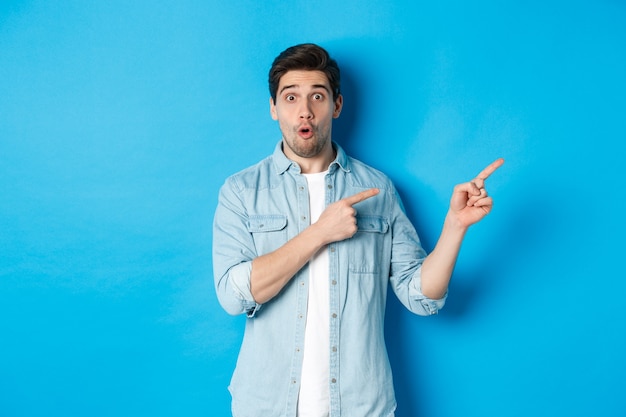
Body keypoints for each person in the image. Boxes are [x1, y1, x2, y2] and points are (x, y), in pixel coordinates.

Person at [212, 43, 504, 417]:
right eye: (290, 97)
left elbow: (421, 296)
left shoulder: (378, 189)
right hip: (266, 405)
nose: (304, 110)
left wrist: (455, 227)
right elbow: (234, 295)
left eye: (317, 95)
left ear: (336, 105)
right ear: (273, 108)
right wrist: (320, 232)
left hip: (360, 406)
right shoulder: (241, 191)